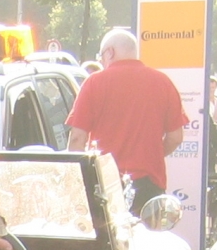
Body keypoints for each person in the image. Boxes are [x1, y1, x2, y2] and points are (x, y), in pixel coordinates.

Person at [67, 28, 185, 213]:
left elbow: (76, 139)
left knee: (109, 241)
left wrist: (75, 181)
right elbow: (176, 137)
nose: (102, 62)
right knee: (147, 238)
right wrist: (151, 155)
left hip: (104, 183)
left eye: (101, 56)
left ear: (110, 52)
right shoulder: (163, 82)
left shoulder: (94, 83)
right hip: (150, 184)